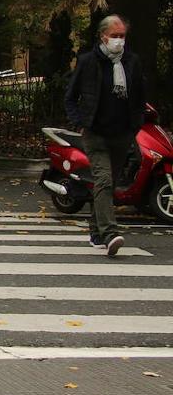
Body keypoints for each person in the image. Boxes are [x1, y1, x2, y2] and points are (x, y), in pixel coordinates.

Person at [64, 14, 146, 257]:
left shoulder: (132, 62)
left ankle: (95, 232)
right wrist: (80, 123)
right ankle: (110, 233)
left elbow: (140, 96)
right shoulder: (89, 61)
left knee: (108, 185)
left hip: (122, 134)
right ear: (103, 36)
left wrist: (136, 126)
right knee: (104, 181)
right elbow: (71, 97)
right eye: (114, 36)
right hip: (95, 133)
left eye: (122, 36)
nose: (119, 41)